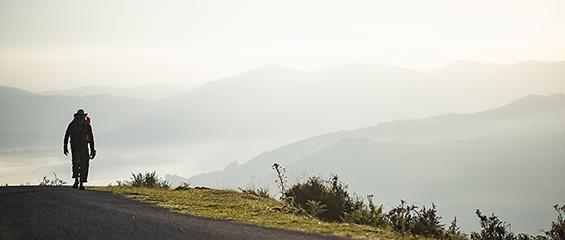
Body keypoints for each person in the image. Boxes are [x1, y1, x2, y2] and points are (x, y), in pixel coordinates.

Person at [63, 109, 96, 190]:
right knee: (76, 164)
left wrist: (92, 150)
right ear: (77, 117)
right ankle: (76, 180)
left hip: (84, 148)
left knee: (84, 165)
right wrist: (65, 146)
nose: (81, 118)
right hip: (75, 148)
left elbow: (91, 138)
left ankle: (81, 183)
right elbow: (67, 135)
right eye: (80, 116)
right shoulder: (72, 125)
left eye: (82, 116)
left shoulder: (87, 126)